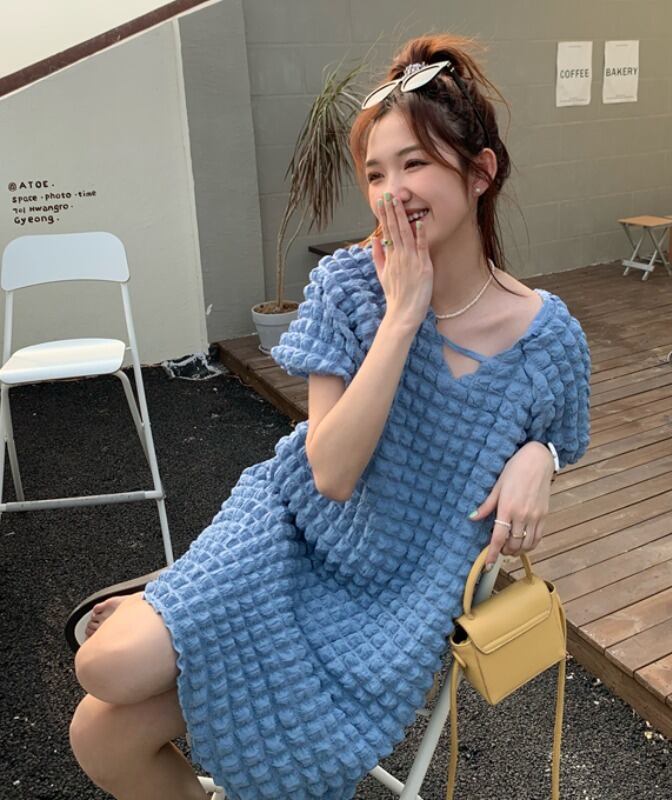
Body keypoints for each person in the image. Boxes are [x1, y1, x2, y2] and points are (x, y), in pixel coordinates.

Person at [69, 33, 591, 800]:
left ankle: (178, 612)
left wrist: (539, 456)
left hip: (393, 607)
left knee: (102, 729)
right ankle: (190, 603)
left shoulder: (548, 339)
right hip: (289, 533)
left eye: (415, 163)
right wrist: (403, 313)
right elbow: (332, 472)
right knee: (100, 670)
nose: (391, 192)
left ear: (481, 172)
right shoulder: (348, 285)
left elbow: (564, 435)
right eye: (375, 173)